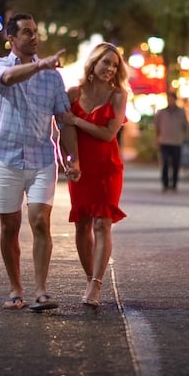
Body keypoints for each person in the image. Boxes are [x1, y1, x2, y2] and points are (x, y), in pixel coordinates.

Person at [0, 12, 80, 312]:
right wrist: (39, 65)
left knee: (40, 221)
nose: (34, 37)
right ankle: (16, 289)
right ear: (11, 38)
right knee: (9, 227)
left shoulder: (53, 77)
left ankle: (41, 290)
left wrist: (72, 157)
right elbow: (7, 79)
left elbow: (64, 120)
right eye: (27, 32)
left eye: (35, 31)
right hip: (6, 159)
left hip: (42, 159)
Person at [61, 42, 129, 308]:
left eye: (115, 65)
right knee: (82, 224)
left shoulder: (118, 96)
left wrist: (77, 120)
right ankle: (90, 278)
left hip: (107, 165)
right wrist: (73, 161)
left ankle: (97, 285)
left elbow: (108, 133)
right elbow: (65, 131)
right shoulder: (72, 93)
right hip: (82, 166)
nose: (110, 69)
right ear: (94, 63)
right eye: (106, 63)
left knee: (103, 223)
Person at [154, 91, 189, 192]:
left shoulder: (181, 112)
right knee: (164, 162)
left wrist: (183, 137)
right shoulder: (161, 112)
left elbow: (185, 126)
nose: (170, 101)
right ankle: (165, 183)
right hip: (164, 141)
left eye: (172, 99)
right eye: (168, 99)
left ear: (175, 99)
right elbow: (157, 127)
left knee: (175, 164)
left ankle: (174, 183)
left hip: (176, 142)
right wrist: (156, 139)